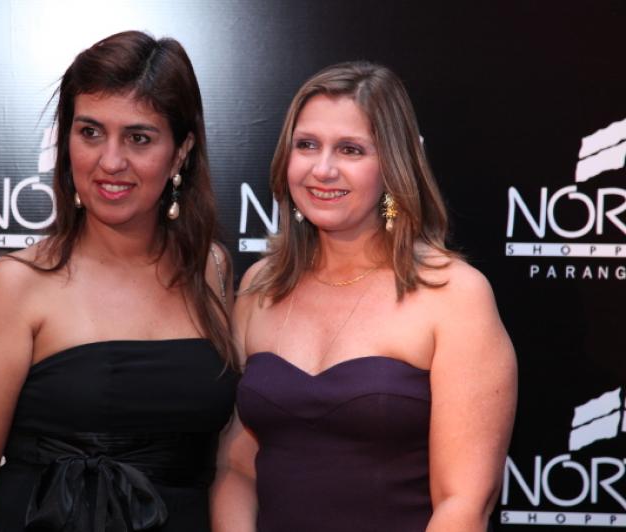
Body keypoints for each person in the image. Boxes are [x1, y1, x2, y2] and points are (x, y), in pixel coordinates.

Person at [0, 31, 238, 532]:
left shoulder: (213, 269)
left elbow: (232, 460)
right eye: (91, 132)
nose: (110, 161)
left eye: (139, 138)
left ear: (180, 152)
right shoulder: (17, 284)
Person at [211, 61, 517, 532]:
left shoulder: (453, 295)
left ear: (393, 166)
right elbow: (237, 468)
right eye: (306, 145)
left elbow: (463, 503)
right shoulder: (260, 286)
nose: (323, 169)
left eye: (350, 149)